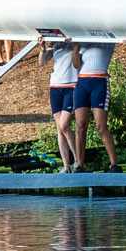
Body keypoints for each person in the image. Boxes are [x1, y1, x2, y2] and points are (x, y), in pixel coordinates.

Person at [73, 39, 119, 170]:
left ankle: (114, 164)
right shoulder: (84, 41)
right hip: (82, 81)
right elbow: (76, 64)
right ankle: (80, 164)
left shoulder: (107, 40)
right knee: (80, 126)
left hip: (99, 81)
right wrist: (76, 45)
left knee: (101, 126)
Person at [44, 33, 80, 170]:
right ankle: (66, 165)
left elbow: (78, 62)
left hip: (71, 85)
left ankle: (78, 161)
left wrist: (74, 43)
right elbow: (42, 62)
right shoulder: (54, 42)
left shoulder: (75, 39)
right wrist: (42, 48)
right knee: (60, 128)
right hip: (55, 85)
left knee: (64, 125)